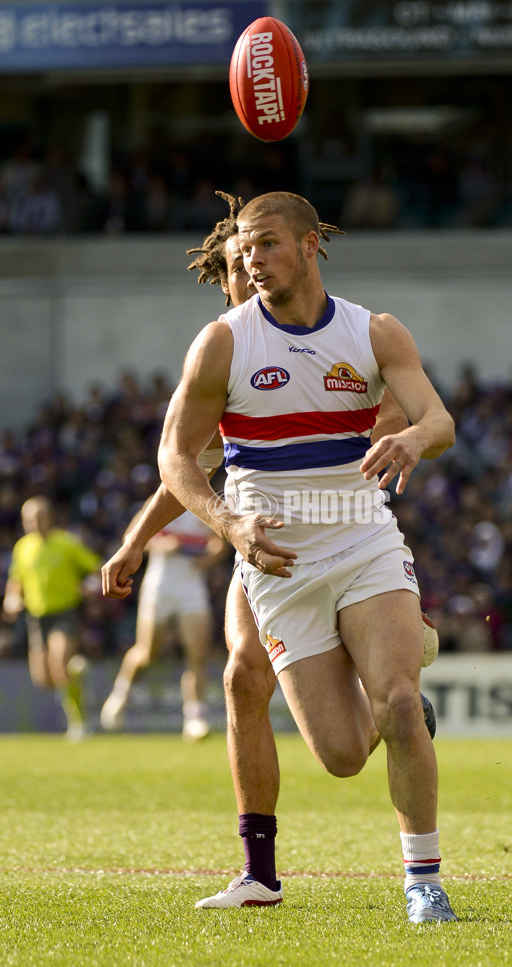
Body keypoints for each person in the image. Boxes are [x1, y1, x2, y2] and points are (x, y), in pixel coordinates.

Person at [101, 192, 440, 914]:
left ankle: (397, 855)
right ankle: (390, 677)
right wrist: (159, 536)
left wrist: (408, 430)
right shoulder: (226, 343)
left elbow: (414, 412)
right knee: (267, 697)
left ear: (308, 246)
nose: (247, 269)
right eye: (238, 259)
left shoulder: (362, 334)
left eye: (259, 251)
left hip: (346, 532)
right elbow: (187, 461)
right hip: (261, 538)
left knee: (347, 691)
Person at [100, 506, 228, 741]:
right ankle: (121, 693)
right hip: (160, 588)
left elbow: (221, 539)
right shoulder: (159, 500)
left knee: (198, 654)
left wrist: (210, 558)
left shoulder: (204, 502)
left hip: (191, 587)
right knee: (147, 654)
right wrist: (162, 546)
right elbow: (131, 539)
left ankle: (195, 717)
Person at [2, 496, 100, 740]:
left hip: (64, 612)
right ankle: (76, 671)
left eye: (37, 518)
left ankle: (79, 724)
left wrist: (90, 586)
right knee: (44, 680)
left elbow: (96, 568)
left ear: (49, 518)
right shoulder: (22, 547)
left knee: (59, 664)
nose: (32, 523)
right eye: (28, 519)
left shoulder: (67, 543)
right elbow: (16, 581)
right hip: (36, 617)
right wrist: (11, 598)